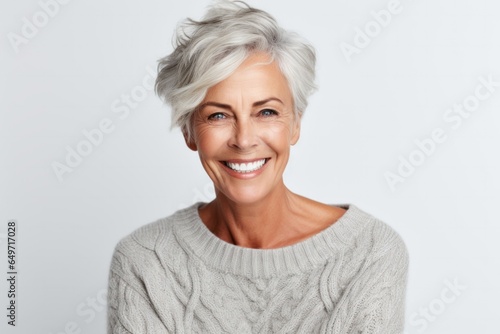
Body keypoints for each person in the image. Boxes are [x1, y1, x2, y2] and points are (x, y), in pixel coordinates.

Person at [107, 1, 409, 333]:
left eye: (266, 112)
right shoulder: (146, 263)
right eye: (218, 115)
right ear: (188, 131)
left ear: (294, 124)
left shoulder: (369, 253)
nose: (244, 139)